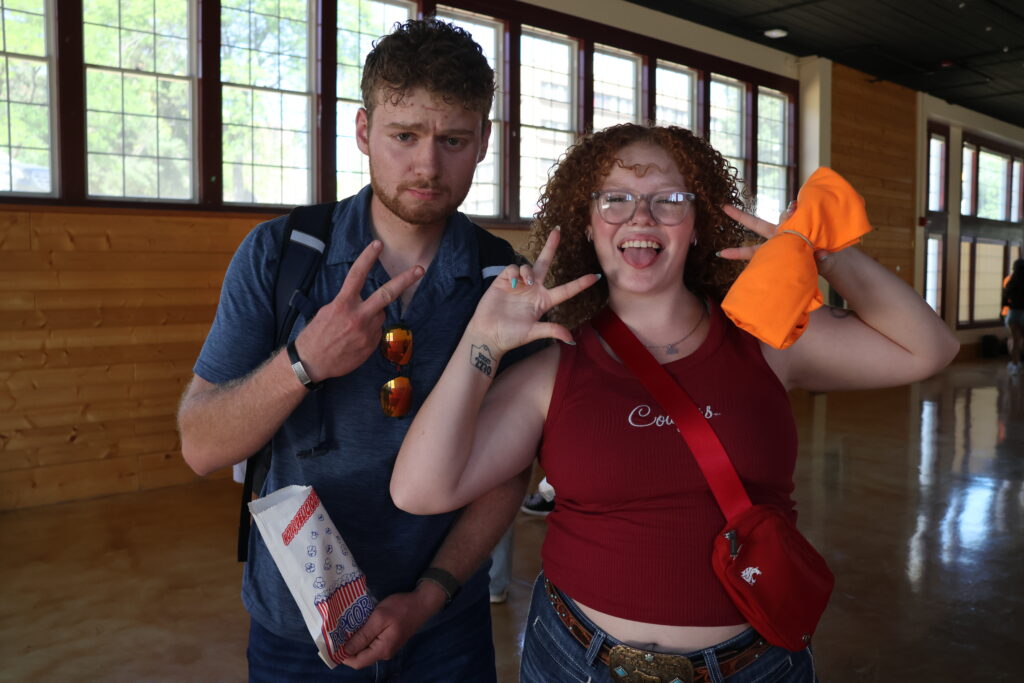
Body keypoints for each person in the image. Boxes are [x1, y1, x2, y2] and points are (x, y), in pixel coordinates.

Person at [391, 123, 960, 682]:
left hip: (754, 666)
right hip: (574, 660)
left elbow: (926, 348)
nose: (641, 216)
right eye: (615, 199)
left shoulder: (766, 337)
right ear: (587, 225)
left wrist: (822, 255)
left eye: (669, 199)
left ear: (696, 224)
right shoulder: (555, 365)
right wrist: (483, 340)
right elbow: (420, 490)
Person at [178, 19, 530, 681]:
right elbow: (201, 444)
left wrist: (427, 597)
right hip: (296, 631)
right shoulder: (281, 256)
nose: (427, 165)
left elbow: (508, 467)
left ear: (484, 141)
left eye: (453, 139)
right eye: (404, 136)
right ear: (364, 130)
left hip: (443, 626)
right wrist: (303, 362)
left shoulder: (500, 279)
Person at [1003, 258, 1024, 374]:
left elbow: (1005, 299)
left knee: (1016, 340)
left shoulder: (1011, 282)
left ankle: (1015, 364)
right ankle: (1018, 362)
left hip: (1013, 313)